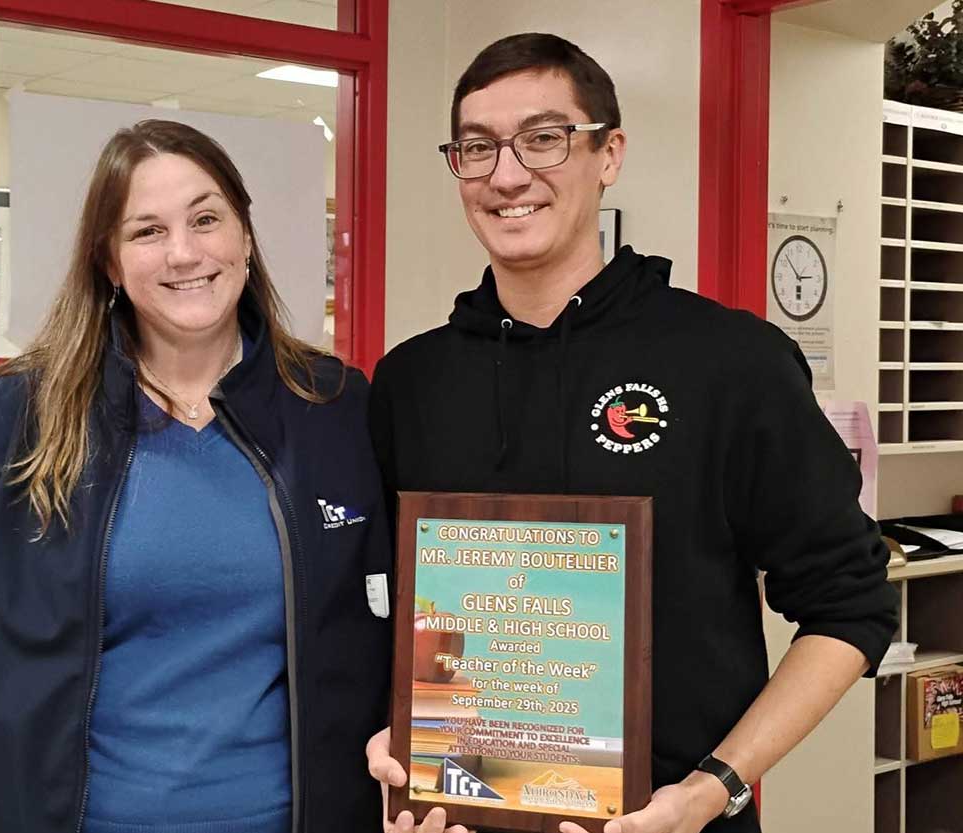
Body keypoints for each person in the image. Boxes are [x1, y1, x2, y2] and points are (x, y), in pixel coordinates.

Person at [365, 33, 898, 833]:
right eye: (477, 148)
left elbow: (852, 605)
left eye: (545, 139)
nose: (506, 175)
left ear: (608, 153)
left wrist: (716, 785)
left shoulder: (730, 361)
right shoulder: (410, 381)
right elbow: (397, 615)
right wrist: (397, 743)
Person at [0, 119, 393, 833]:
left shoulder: (332, 406)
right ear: (110, 262)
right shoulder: (24, 413)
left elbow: (391, 632)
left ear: (244, 235)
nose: (184, 252)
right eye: (147, 231)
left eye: (206, 219)